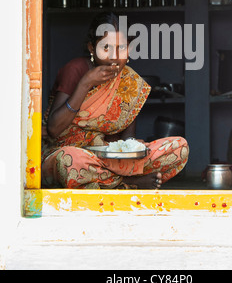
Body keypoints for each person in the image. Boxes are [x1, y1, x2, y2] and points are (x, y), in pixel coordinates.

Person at [42, 12, 189, 189]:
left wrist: (133, 148)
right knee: (70, 162)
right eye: (106, 48)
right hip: (67, 153)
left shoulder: (129, 81)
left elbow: (127, 139)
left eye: (121, 48)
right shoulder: (76, 70)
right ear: (91, 48)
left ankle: (110, 183)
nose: (113, 56)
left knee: (179, 147)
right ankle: (127, 183)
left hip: (108, 159)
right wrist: (85, 83)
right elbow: (53, 129)